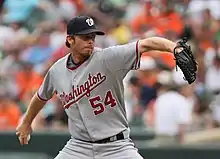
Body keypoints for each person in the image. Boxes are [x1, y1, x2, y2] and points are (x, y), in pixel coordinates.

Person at [16, 15, 181, 159]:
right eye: (85, 37)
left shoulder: (107, 58)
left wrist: (174, 48)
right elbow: (40, 97)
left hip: (116, 146)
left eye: (92, 37)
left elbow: (146, 44)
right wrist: (26, 122)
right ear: (70, 39)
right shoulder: (57, 70)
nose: (90, 41)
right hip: (78, 147)